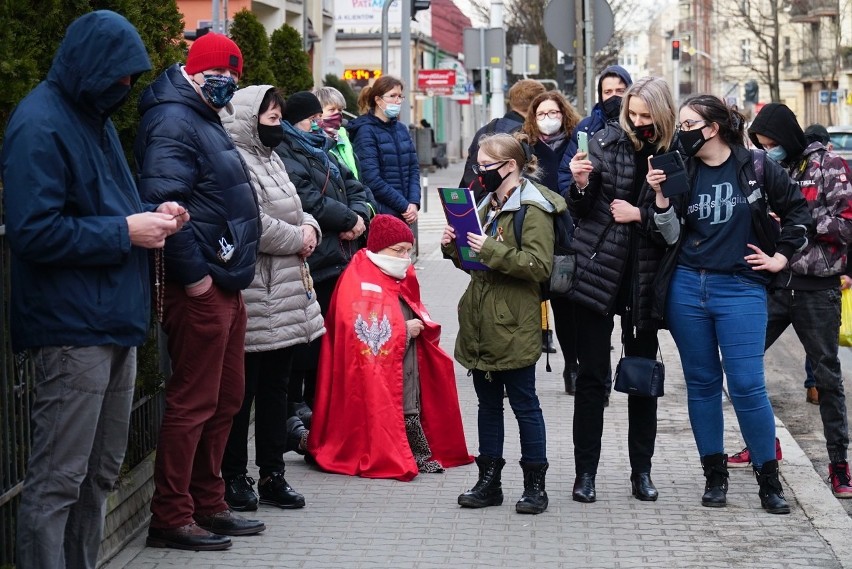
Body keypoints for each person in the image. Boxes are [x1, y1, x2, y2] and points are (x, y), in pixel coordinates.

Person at [0, 11, 184, 568]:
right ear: (93, 67)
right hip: (71, 329)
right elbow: (33, 232)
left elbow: (104, 205)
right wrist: (127, 230)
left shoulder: (92, 114)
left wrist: (152, 214)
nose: (126, 88)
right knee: (58, 481)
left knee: (99, 475)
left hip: (110, 321)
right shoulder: (40, 123)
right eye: (120, 76)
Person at [650, 95, 812, 514]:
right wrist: (662, 200)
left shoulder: (756, 166)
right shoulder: (680, 167)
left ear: (713, 127)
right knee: (702, 384)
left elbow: (799, 213)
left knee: (746, 385)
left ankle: (769, 480)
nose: (681, 132)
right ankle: (714, 476)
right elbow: (668, 235)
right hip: (688, 289)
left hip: (740, 288)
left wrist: (781, 257)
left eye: (689, 124)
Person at [135, 32, 265, 550]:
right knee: (194, 401)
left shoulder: (201, 115)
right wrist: (197, 278)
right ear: (196, 70)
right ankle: (172, 515)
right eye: (223, 73)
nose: (230, 82)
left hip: (225, 281)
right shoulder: (172, 118)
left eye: (236, 75)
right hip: (202, 286)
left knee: (227, 398)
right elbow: (163, 201)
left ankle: (209, 502)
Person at [441, 132, 567, 515]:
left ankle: (535, 486)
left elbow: (538, 265)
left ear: (509, 166)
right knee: (487, 404)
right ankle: (488, 481)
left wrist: (489, 248)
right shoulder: (485, 203)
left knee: (525, 404)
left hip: (515, 319)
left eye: (486, 166)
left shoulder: (533, 208)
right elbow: (473, 263)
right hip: (481, 318)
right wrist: (453, 245)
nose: (479, 173)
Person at [566, 76, 676, 504]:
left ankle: (641, 473)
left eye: (647, 116)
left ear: (662, 114)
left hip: (643, 281)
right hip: (598, 272)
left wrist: (640, 215)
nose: (637, 122)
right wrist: (578, 183)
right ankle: (585, 474)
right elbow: (581, 209)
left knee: (641, 378)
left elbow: (674, 231)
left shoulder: (673, 155)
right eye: (632, 113)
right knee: (592, 377)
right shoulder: (604, 141)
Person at [218, 85, 326, 513]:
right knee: (241, 394)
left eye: (280, 117)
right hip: (255, 291)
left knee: (277, 389)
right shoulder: (236, 161)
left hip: (285, 290)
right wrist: (297, 237)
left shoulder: (274, 158)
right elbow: (252, 223)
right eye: (271, 118)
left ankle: (272, 473)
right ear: (249, 120)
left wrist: (312, 229)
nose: (277, 125)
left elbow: (300, 210)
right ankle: (235, 477)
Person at [741, 103, 852, 498]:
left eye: (771, 143)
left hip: (817, 286)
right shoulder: (767, 168)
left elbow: (844, 223)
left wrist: (793, 224)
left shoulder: (830, 165)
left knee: (826, 377)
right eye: (761, 144)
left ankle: (839, 464)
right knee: (743, 365)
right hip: (774, 284)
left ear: (787, 138)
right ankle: (762, 443)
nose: (767, 150)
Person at [308, 215, 472, 480]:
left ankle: (417, 450)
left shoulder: (397, 270)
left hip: (405, 358)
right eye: (399, 251)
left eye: (409, 250)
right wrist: (403, 331)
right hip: (384, 360)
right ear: (379, 248)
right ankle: (402, 451)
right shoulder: (357, 280)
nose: (405, 257)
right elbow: (359, 334)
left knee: (411, 396)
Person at [275, 91, 375, 428]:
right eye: (312, 119)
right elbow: (307, 201)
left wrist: (360, 215)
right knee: (308, 344)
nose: (319, 123)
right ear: (294, 121)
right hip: (316, 263)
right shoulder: (287, 152)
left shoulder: (324, 150)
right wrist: (349, 221)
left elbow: (357, 187)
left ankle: (325, 409)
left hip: (340, 260)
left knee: (331, 342)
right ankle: (297, 409)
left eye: (321, 117)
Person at [556, 65, 633, 396]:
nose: (614, 97)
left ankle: (627, 380)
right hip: (592, 241)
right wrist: (580, 185)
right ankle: (596, 382)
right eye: (607, 92)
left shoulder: (640, 131)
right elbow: (566, 177)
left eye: (620, 91)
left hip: (628, 242)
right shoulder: (587, 129)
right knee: (592, 329)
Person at [522, 91, 582, 361]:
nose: (548, 119)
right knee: (530, 305)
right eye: (542, 114)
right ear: (533, 118)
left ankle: (572, 366)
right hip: (536, 233)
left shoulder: (576, 143)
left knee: (566, 305)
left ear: (564, 114)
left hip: (570, 234)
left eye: (554, 113)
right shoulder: (526, 147)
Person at [348, 76, 420, 224]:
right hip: (382, 212)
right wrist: (404, 206)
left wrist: (413, 202)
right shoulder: (366, 131)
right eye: (392, 96)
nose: (398, 101)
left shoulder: (401, 129)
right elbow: (371, 179)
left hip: (405, 213)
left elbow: (413, 169)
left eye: (400, 96)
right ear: (378, 100)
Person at [460, 79, 546, 202]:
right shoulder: (527, 136)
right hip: (508, 203)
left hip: (476, 202)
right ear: (537, 104)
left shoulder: (485, 130)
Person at [314, 85, 362, 180]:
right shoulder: (314, 143)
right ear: (317, 113)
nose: (337, 114)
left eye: (340, 110)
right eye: (332, 110)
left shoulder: (345, 140)